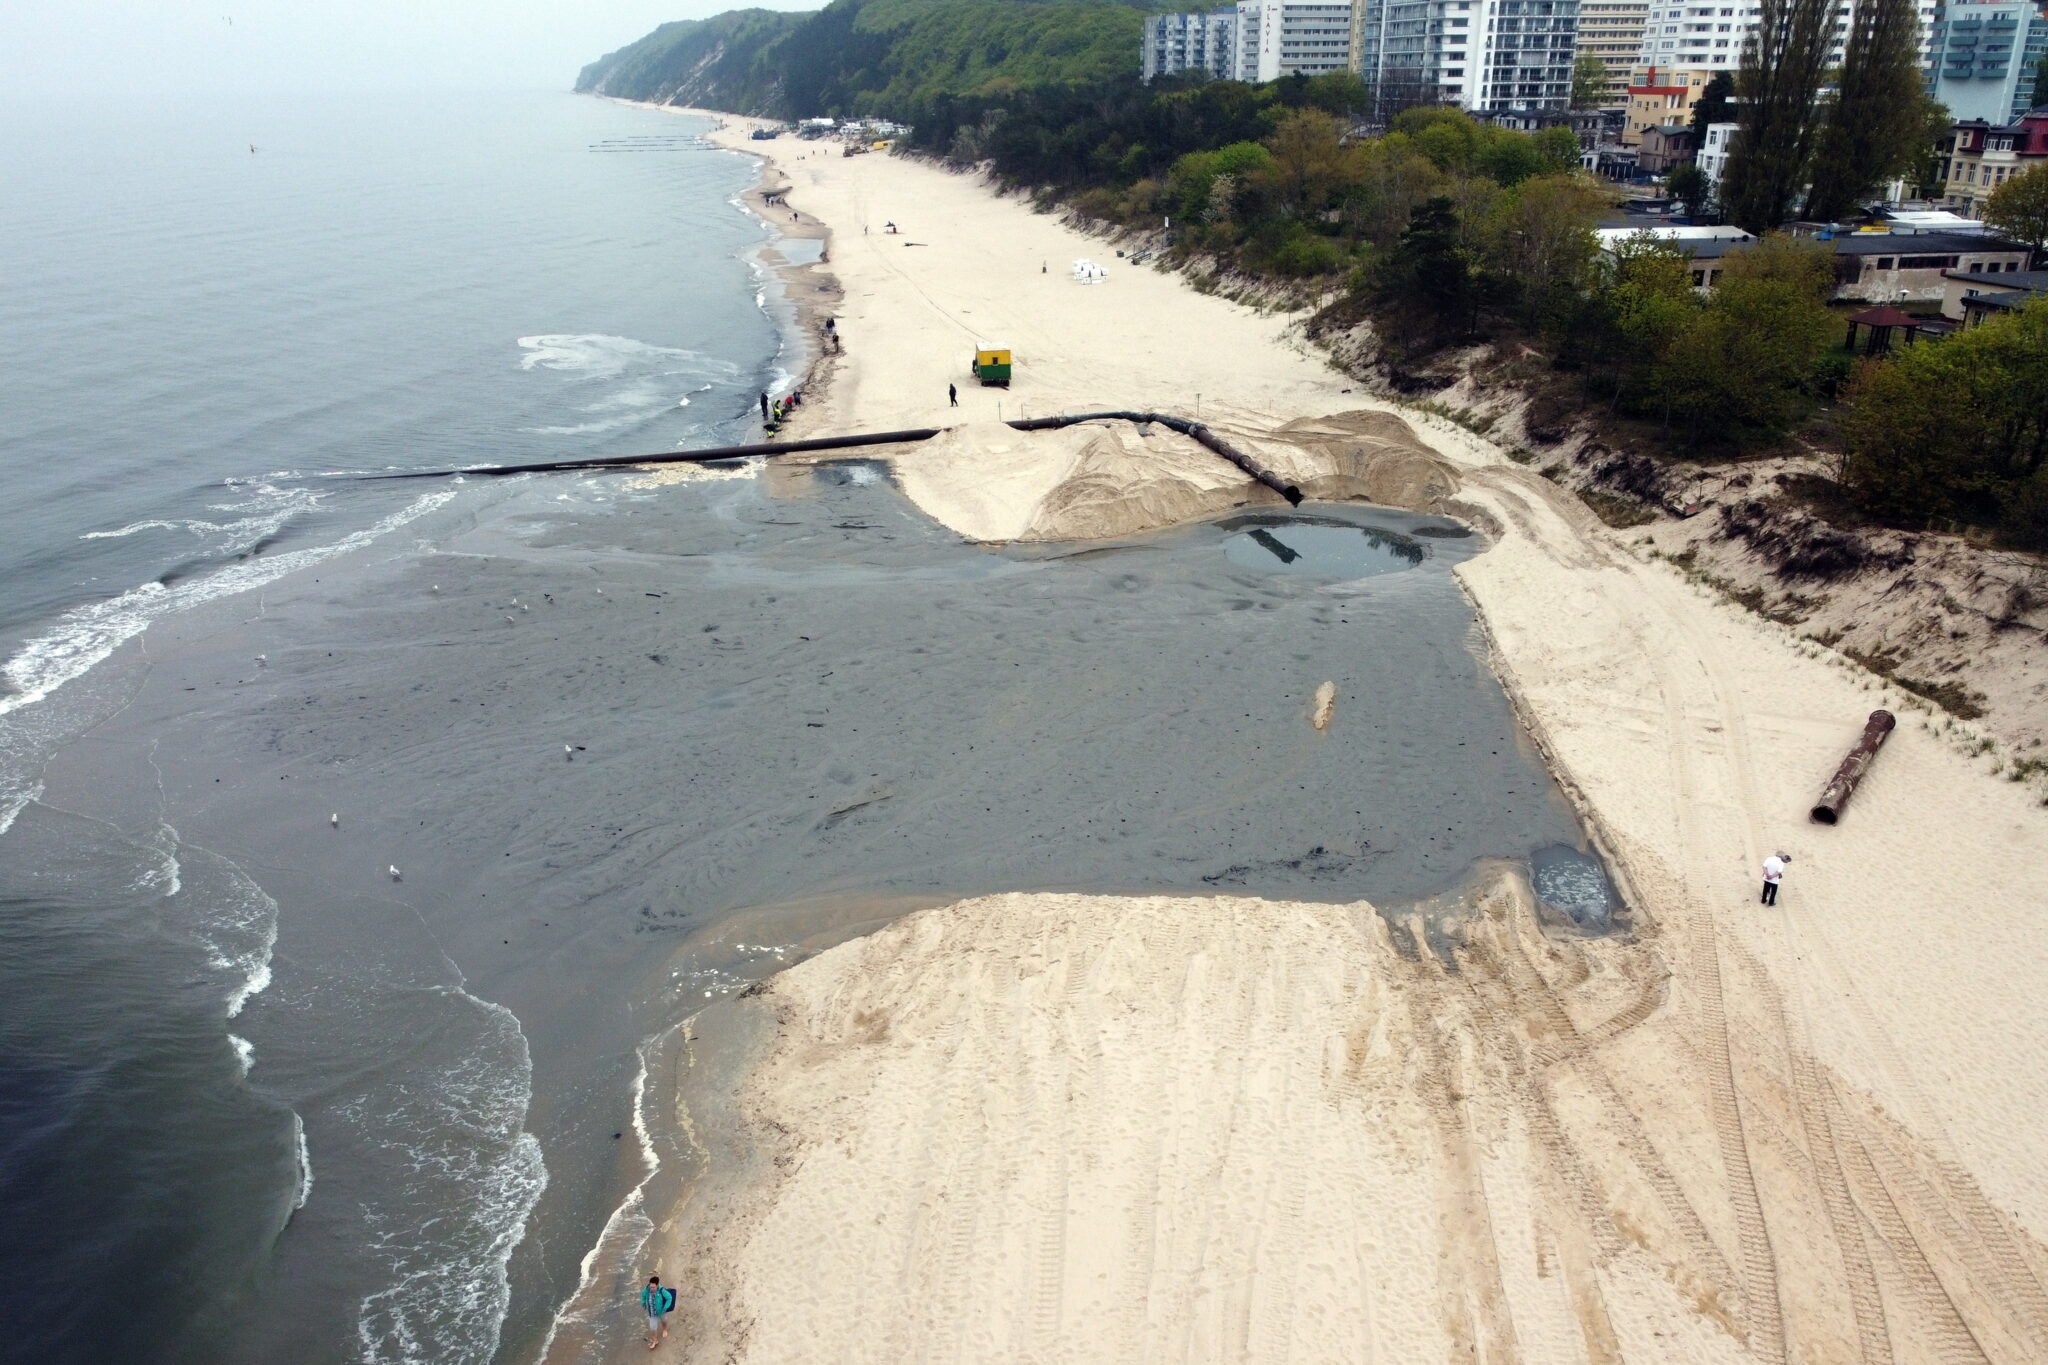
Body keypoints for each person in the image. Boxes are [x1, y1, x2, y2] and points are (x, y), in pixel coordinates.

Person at [641, 1275, 674, 1349]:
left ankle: (665, 1330)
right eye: (650, 1286)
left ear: (657, 1285)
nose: (651, 1288)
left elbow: (669, 1297)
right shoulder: (646, 1290)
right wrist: (643, 1303)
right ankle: (655, 1340)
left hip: (661, 1311)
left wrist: (665, 1307)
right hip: (652, 1313)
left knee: (664, 1320)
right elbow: (643, 1296)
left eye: (653, 1287)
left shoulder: (662, 1290)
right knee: (652, 1327)